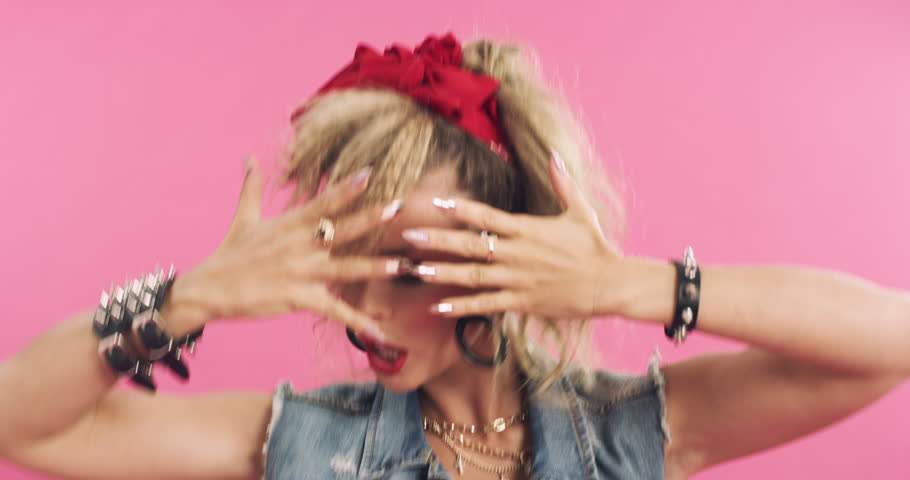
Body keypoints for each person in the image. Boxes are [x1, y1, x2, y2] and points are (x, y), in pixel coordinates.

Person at [0, 32, 907, 480]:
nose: (363, 309)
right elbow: (21, 424)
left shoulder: (626, 432)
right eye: (343, 261)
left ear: (510, 257)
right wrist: (185, 298)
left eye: (408, 270)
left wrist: (629, 285)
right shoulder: (309, 440)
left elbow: (892, 339)